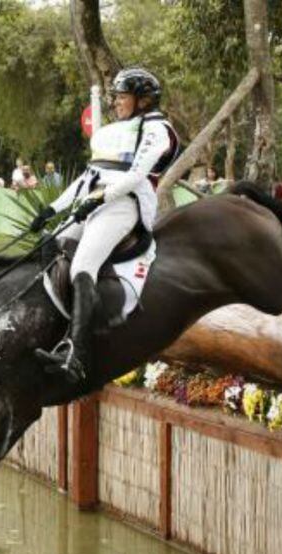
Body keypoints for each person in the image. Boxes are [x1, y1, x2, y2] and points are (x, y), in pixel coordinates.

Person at [28, 67, 180, 382]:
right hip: (96, 202)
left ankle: (77, 354)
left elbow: (135, 177)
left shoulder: (157, 129)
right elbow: (89, 177)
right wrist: (52, 208)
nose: (116, 103)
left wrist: (98, 200)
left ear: (143, 100)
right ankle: (54, 326)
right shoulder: (118, 131)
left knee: (82, 265)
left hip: (125, 206)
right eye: (116, 97)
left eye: (122, 97)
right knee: (50, 244)